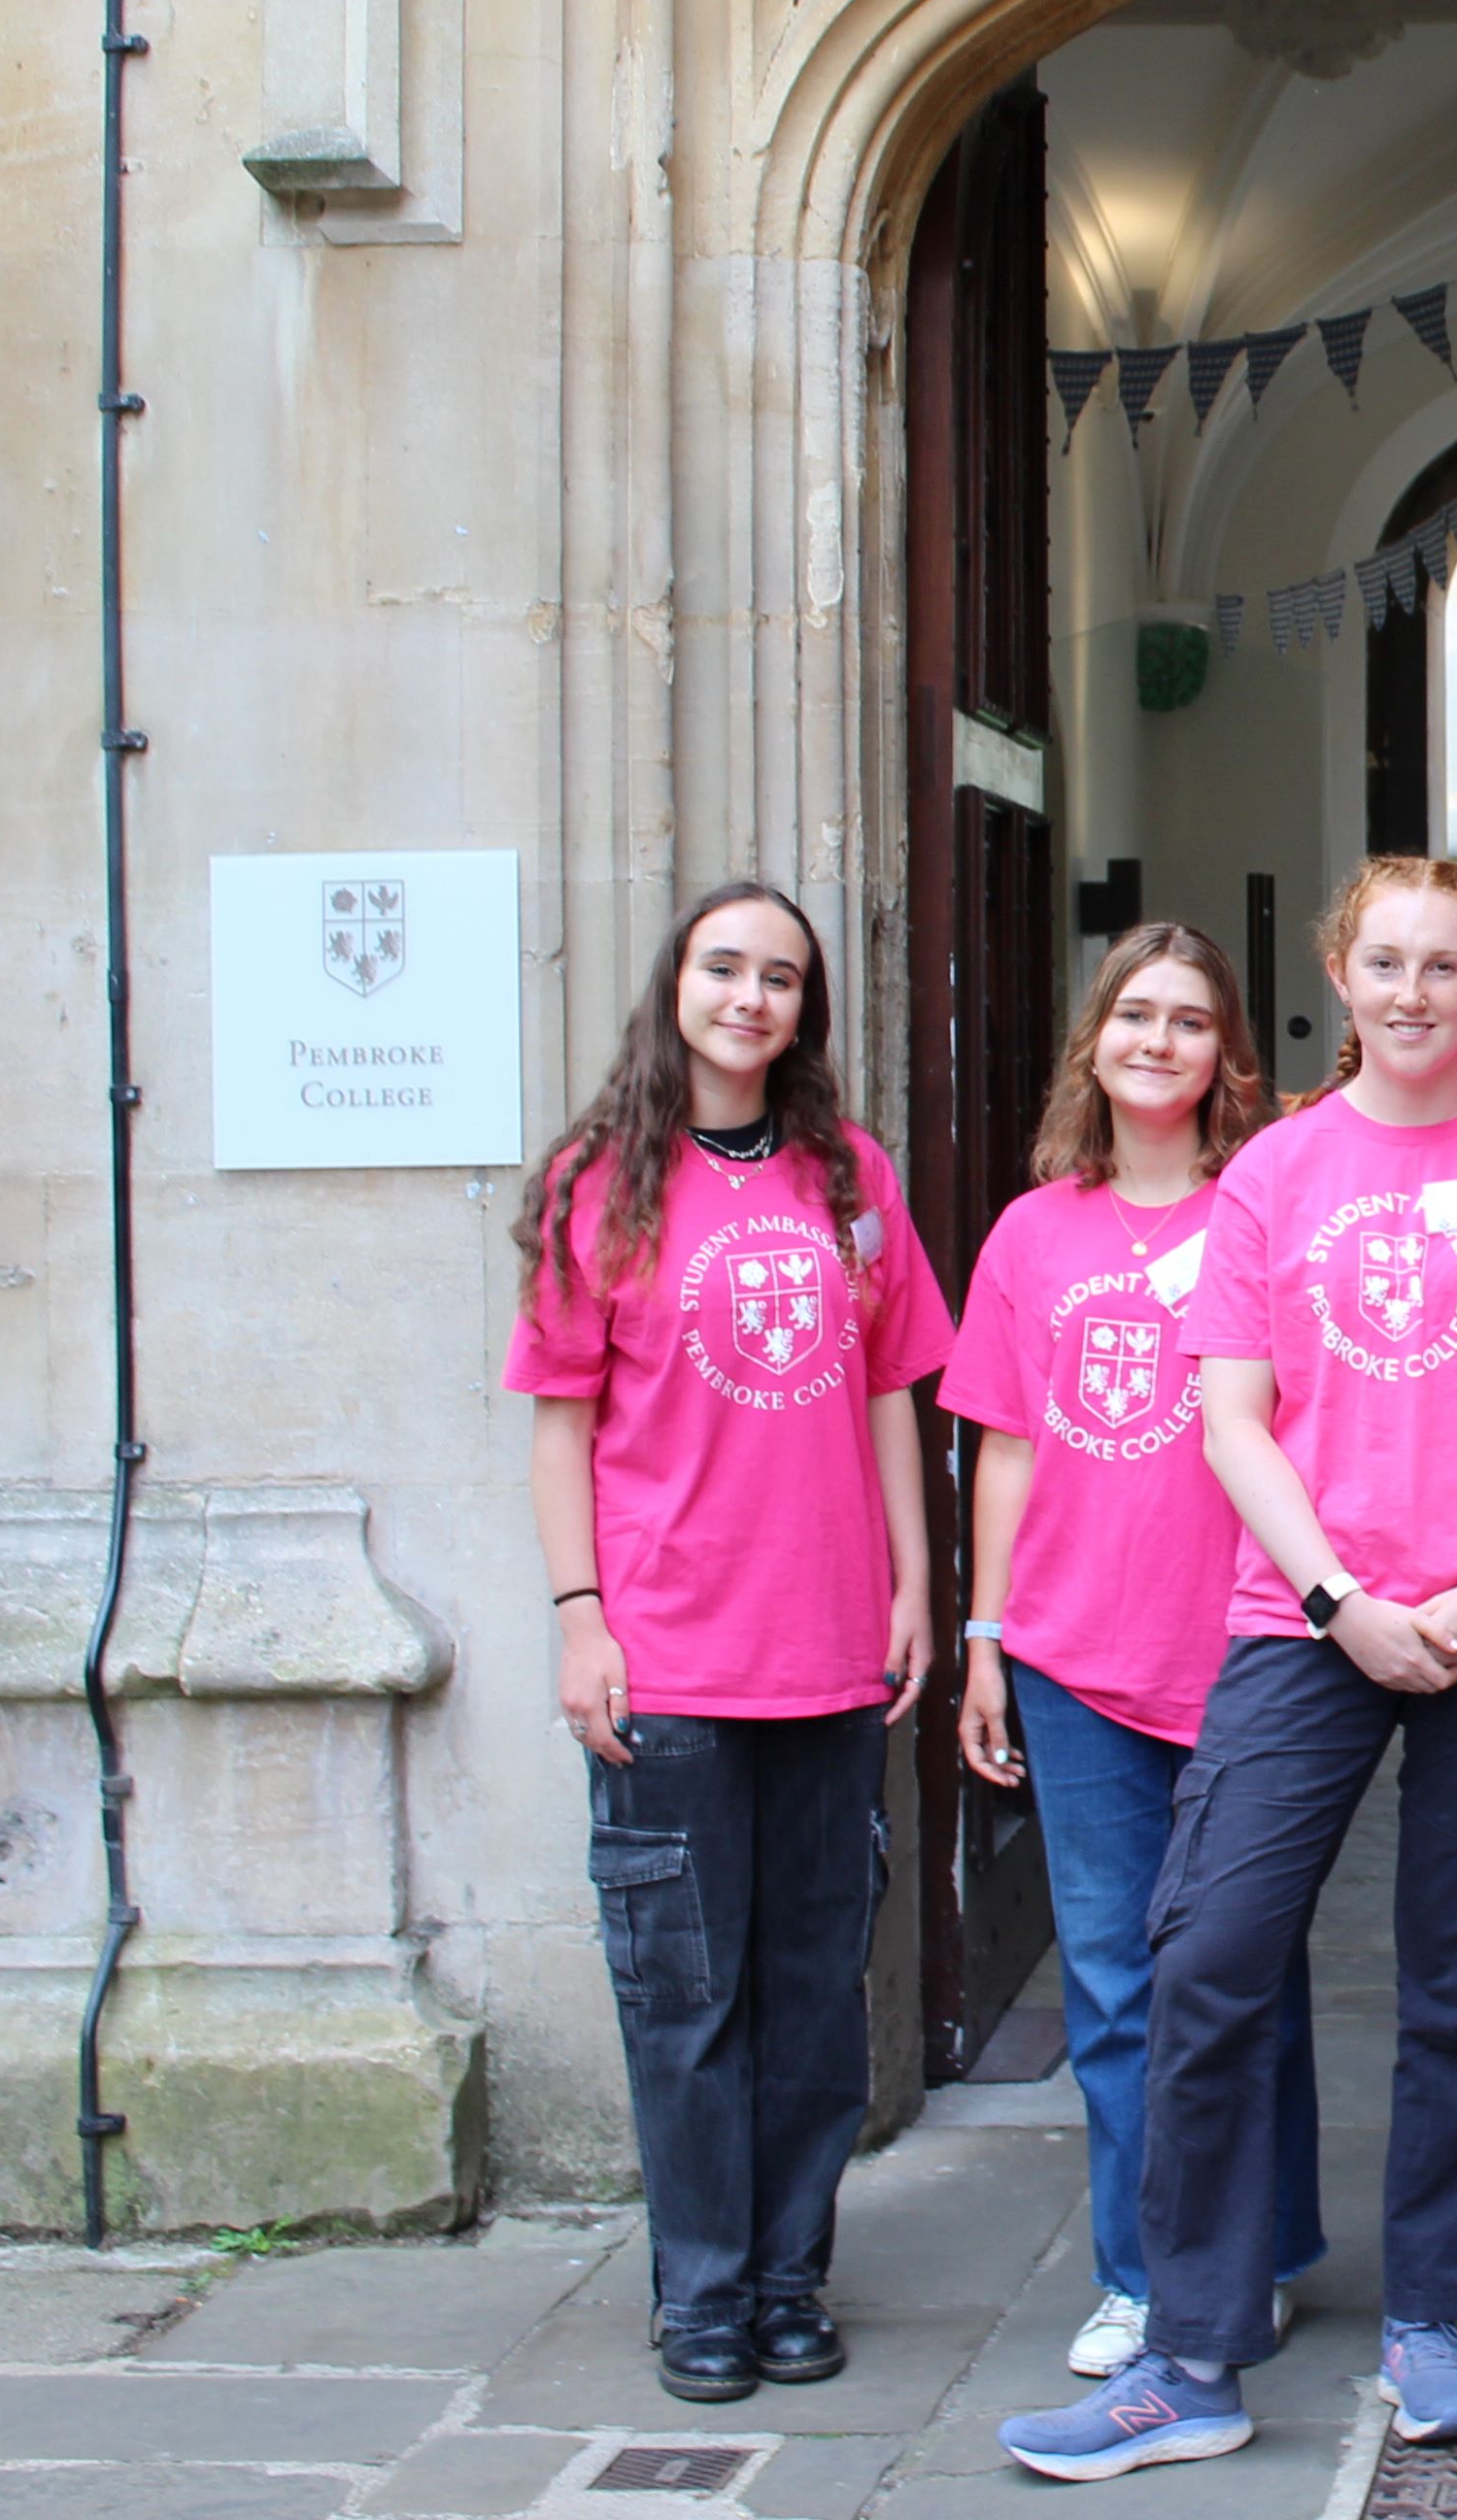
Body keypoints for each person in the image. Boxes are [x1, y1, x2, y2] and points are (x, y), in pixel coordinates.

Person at [1000, 861, 1457, 2480]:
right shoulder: (1272, 1174)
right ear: (1342, 975)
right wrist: (1343, 1599)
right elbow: (1231, 1418)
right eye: (1384, 961)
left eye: (1443, 963)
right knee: (1209, 1953)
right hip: (1308, 1617)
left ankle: (1427, 2315)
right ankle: (1189, 2346)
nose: (1412, 991)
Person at [509, 883, 953, 2407]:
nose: (749, 998)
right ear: (676, 985)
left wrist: (915, 1582)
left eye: (780, 978)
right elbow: (561, 1427)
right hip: (671, 1660)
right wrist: (580, 1622)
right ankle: (698, 2291)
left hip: (828, 1649)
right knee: (686, 2003)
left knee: (817, 1997)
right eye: (724, 969)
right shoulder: (603, 1179)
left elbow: (893, 1385)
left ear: (804, 1010)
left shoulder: (850, 1176)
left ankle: (785, 2279)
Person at [944, 927, 1327, 2385]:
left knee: (1247, 1972)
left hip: (1244, 1650)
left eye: (1186, 1020)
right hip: (1074, 1658)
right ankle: (1139, 2269)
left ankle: (1268, 2251)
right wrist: (986, 1637)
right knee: (1113, 1980)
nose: (1155, 1041)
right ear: (1093, 1041)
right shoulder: (1034, 1234)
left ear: (1225, 1054)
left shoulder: (1264, 1210)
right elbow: (1007, 1446)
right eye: (1132, 1014)